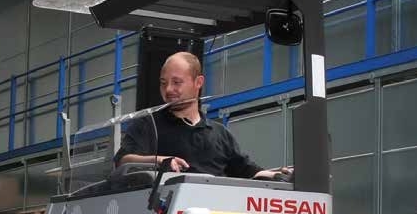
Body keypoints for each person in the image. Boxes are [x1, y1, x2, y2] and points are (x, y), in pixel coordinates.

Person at [113, 51, 289, 180]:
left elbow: (247, 171)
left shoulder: (219, 133)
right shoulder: (148, 124)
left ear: (198, 82)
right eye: (163, 83)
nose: (168, 89)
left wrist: (279, 175)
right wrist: (159, 161)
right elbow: (122, 161)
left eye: (177, 82)